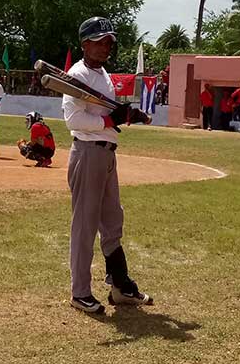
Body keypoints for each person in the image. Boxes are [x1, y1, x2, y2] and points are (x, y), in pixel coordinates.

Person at [62, 16, 153, 314]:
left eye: (109, 42)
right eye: (100, 42)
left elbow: (109, 112)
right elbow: (73, 120)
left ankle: (120, 284)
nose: (106, 47)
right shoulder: (78, 75)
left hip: (107, 154)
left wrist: (127, 114)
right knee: (85, 226)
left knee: (113, 221)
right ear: (85, 43)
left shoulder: (102, 74)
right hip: (87, 153)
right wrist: (109, 120)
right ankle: (80, 292)